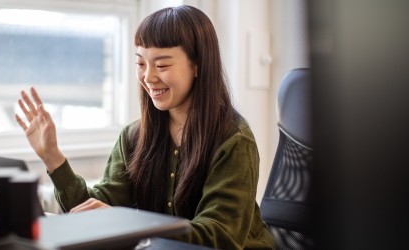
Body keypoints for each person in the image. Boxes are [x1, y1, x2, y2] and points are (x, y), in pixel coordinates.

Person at [16, 5, 274, 249]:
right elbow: (94, 211)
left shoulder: (233, 141)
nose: (148, 77)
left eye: (161, 65)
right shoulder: (135, 136)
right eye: (141, 64)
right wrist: (53, 157)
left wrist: (131, 226)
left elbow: (219, 236)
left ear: (197, 66)